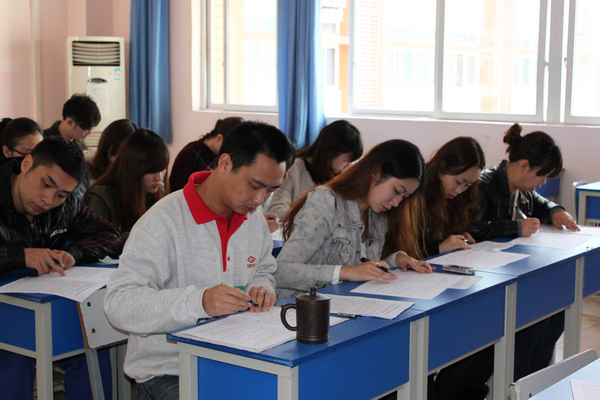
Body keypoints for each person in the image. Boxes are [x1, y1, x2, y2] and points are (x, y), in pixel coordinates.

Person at [103, 121, 296, 400]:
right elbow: (119, 303)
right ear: (225, 163)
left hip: (236, 358)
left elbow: (264, 268)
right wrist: (199, 302)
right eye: (254, 185)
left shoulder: (253, 220)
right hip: (170, 370)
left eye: (270, 190)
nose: (259, 199)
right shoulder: (163, 222)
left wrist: (262, 287)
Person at [0, 137, 124, 400]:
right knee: (15, 358)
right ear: (26, 163)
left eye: (62, 194)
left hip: (39, 307)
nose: (48, 200)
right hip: (7, 318)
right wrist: (18, 256)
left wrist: (74, 253)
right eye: (45, 184)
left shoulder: (65, 207)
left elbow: (112, 235)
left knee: (92, 347)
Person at [471, 123, 578, 382]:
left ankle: (534, 380)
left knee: (557, 313)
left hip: (514, 273)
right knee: (534, 323)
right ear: (523, 166)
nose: (543, 183)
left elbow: (542, 203)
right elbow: (472, 229)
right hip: (486, 279)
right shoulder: (485, 184)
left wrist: (555, 211)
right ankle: (515, 383)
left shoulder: (523, 190)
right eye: (542, 176)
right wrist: (516, 227)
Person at [275, 139, 433, 301]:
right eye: (397, 191)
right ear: (376, 172)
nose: (396, 203)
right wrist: (345, 272)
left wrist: (395, 260)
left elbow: (363, 269)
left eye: (404, 197)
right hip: (300, 307)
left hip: (343, 304)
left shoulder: (377, 213)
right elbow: (280, 271)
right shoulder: (327, 201)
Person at [400, 137, 490, 400]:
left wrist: (462, 238)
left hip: (439, 283)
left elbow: (452, 231)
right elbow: (404, 248)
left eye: (469, 185)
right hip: (412, 287)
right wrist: (438, 247)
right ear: (441, 168)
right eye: (459, 182)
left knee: (484, 336)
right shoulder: (415, 193)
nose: (461, 190)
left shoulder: (458, 199)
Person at [268, 119, 363, 221]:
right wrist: (314, 218)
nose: (348, 166)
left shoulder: (338, 177)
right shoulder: (294, 169)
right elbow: (276, 211)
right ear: (331, 152)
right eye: (346, 160)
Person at [84, 129, 169, 240]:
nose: (159, 177)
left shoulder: (157, 192)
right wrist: (146, 236)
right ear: (132, 169)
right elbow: (97, 239)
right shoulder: (102, 195)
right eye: (151, 171)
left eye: (162, 169)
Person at [43, 93, 102, 198]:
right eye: (85, 128)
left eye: (91, 128)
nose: (89, 133)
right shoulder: (45, 142)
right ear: (70, 121)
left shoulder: (79, 143)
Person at [169, 116, 244, 192]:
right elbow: (176, 190)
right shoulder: (190, 153)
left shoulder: (221, 156)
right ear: (219, 138)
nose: (232, 152)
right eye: (231, 147)